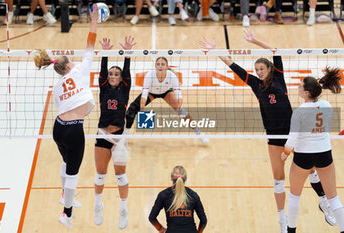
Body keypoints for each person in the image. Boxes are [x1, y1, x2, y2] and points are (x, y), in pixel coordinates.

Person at [200, 28, 336, 233]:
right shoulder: (256, 85)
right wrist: (215, 50)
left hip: (292, 133)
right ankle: (283, 221)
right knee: (279, 180)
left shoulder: (279, 77)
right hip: (273, 137)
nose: (259, 72)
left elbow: (275, 50)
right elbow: (232, 65)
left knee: (312, 171)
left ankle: (324, 203)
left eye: (262, 69)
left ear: (270, 69)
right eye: (257, 70)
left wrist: (255, 40)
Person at [33, 4, 98, 228]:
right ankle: (66, 214)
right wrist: (95, 19)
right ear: (69, 65)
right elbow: (91, 42)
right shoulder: (80, 69)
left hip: (58, 129)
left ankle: (64, 196)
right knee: (73, 173)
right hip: (73, 130)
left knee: (65, 162)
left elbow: (64, 105)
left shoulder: (58, 85)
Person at [281, 70, 343, 233]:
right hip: (324, 154)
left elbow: (292, 140)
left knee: (294, 196)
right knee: (334, 198)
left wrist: (285, 154)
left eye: (301, 86)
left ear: (306, 93)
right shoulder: (327, 106)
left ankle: (291, 230)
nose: (298, 87)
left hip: (303, 157)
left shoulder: (299, 112)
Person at [93, 35, 136, 229]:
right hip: (102, 135)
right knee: (100, 174)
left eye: (115, 74)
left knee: (120, 176)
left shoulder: (125, 88)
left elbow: (127, 72)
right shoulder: (103, 87)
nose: (112, 76)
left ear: (121, 78)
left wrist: (127, 53)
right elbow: (102, 71)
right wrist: (105, 53)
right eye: (110, 74)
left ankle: (124, 209)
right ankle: (97, 205)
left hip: (118, 137)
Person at [125, 56, 209, 144]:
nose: (160, 66)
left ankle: (198, 132)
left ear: (167, 66)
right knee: (132, 108)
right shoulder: (149, 75)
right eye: (158, 64)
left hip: (166, 92)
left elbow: (178, 94)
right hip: (151, 93)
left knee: (182, 111)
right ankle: (126, 134)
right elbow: (144, 94)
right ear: (155, 66)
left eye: (162, 64)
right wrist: (142, 110)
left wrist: (179, 107)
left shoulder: (172, 76)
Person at [149, 165, 207, 233]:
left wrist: (160, 229)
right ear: (185, 179)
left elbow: (152, 218)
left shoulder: (163, 195)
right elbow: (203, 221)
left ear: (171, 178)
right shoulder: (193, 195)